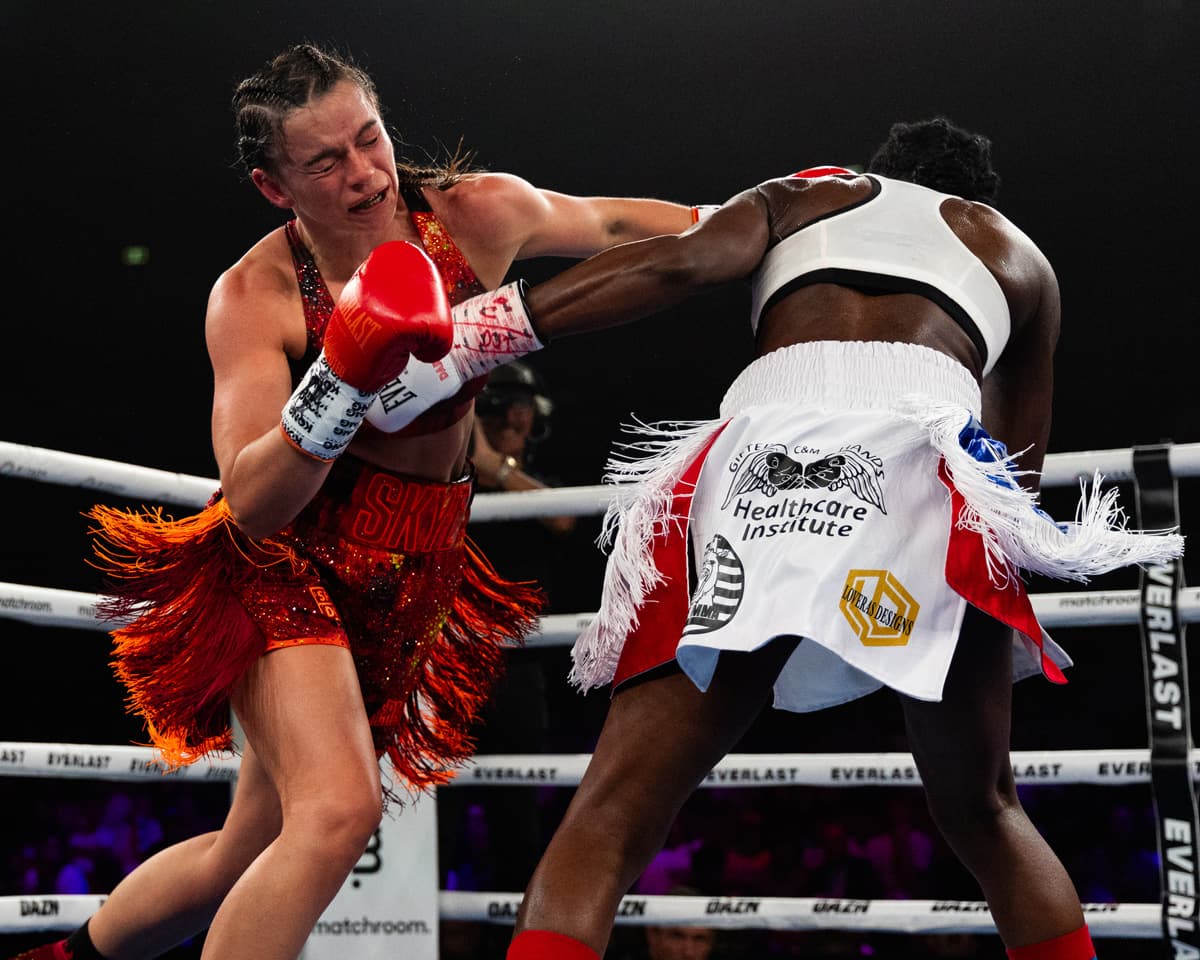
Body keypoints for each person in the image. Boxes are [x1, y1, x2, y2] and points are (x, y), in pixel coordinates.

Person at [439, 118, 1185, 960]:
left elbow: (676, 263)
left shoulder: (806, 194)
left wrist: (468, 338)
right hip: (928, 465)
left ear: (876, 173)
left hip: (763, 453)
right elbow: (1011, 480)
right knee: (985, 810)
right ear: (971, 200)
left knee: (611, 814)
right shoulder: (1018, 256)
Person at [13, 43, 696, 960]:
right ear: (273, 186)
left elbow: (618, 227)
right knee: (339, 812)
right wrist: (339, 372)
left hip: (409, 570)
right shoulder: (255, 294)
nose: (365, 174)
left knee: (246, 849)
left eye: (368, 140)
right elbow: (251, 502)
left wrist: (767, 217)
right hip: (282, 564)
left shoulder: (474, 217)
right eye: (324, 162)